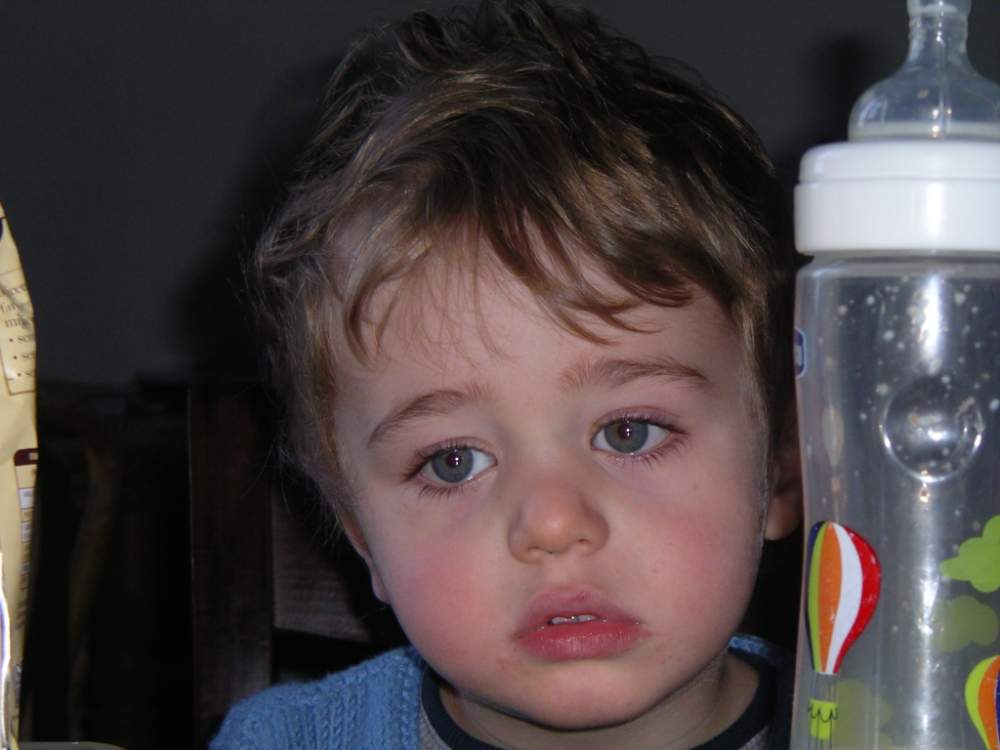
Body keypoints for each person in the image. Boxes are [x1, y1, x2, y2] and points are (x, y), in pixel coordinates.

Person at [211, 0, 802, 747]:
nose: (552, 525)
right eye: (453, 462)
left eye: (629, 431)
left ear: (780, 469)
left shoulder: (893, 725)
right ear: (363, 536)